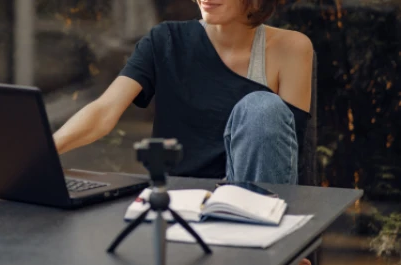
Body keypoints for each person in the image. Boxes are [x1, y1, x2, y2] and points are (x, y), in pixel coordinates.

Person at [53, 1, 313, 264]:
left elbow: (287, 157)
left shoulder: (290, 48)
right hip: (180, 209)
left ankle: (266, 252)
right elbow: (103, 111)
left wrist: (294, 242)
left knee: (263, 108)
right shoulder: (165, 40)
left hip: (250, 215)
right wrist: (39, 155)